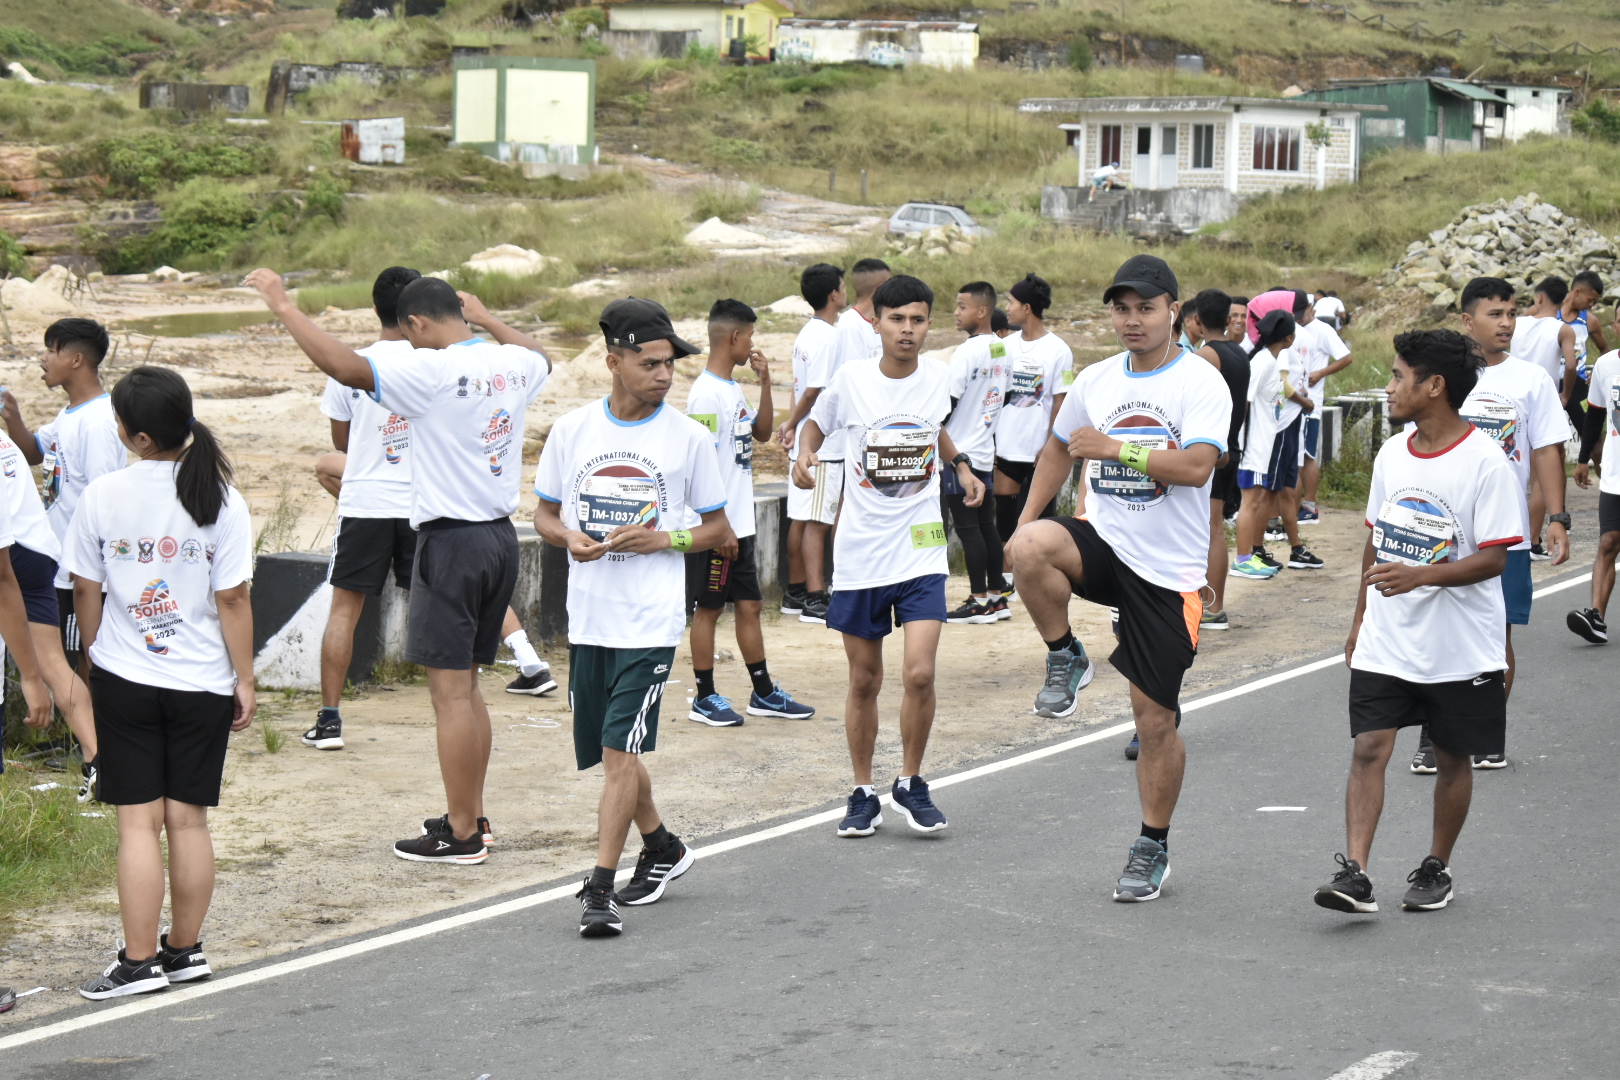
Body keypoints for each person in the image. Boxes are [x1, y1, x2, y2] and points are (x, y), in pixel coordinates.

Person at [247, 269, 550, 864]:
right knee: (469, 689)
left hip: (450, 542)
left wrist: (284, 307)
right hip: (499, 538)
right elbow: (541, 354)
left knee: (450, 696)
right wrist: (488, 316)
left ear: (415, 323)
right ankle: (474, 815)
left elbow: (347, 369)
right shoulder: (511, 360)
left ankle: (462, 835)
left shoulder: (430, 369)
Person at [1006, 254, 1230, 901]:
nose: (1132, 321)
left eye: (1146, 308)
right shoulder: (1097, 379)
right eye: (1122, 309)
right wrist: (1022, 523)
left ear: (1174, 313)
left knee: (1154, 722)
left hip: (1168, 574)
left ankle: (1151, 844)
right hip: (1105, 544)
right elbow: (1056, 448)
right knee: (1030, 548)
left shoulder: (1199, 382)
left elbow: (1194, 467)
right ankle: (1065, 656)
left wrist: (1116, 448)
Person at [534, 298, 729, 937]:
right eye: (649, 363)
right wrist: (568, 540)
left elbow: (719, 531)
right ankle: (664, 846)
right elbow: (544, 515)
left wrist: (665, 540)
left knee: (619, 756)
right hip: (590, 621)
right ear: (613, 361)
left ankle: (600, 889)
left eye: (669, 364)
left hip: (648, 624)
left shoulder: (688, 439)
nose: (664, 375)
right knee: (614, 752)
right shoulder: (572, 431)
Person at [1314, 330, 1522, 916]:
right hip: (1388, 637)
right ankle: (1356, 872)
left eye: (1399, 376)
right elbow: (1375, 543)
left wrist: (1422, 577)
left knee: (1453, 757)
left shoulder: (1486, 462)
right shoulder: (1391, 452)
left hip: (1460, 645)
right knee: (1368, 748)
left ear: (1435, 386)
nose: (1389, 386)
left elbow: (1494, 558)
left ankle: (1437, 865)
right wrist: (1359, 619)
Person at [68, 366, 256, 998]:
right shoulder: (223, 496)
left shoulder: (103, 495)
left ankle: (138, 963)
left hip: (126, 677)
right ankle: (185, 952)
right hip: (203, 680)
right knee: (189, 821)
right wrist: (244, 679)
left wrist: (94, 653)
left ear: (139, 437)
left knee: (136, 824)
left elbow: (86, 588)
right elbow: (232, 598)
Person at [794, 274, 983, 839]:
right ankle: (861, 791)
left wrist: (963, 465)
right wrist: (805, 454)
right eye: (897, 319)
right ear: (875, 322)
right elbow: (814, 423)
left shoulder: (940, 378)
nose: (908, 330)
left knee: (920, 674)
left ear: (929, 324)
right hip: (860, 556)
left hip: (921, 551)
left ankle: (911, 780)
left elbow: (935, 429)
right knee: (864, 681)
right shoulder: (850, 381)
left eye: (918, 319)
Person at [1402, 278, 1570, 774]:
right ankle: (1434, 737)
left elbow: (1545, 450)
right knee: (1435, 636)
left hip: (1506, 534)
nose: (1506, 323)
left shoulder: (1531, 380)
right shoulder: (1442, 378)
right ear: (1466, 321)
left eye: (1512, 313)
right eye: (1495, 314)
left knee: (1497, 636)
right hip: (1436, 533)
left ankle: (1486, 732)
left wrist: (1556, 518)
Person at [0, 317, 125, 800]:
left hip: (77, 565)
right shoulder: (69, 416)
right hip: (51, 560)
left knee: (80, 660)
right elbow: (35, 453)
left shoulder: (99, 420)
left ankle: (101, 754)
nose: (42, 360)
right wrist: (14, 419)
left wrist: (91, 571)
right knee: (63, 662)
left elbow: (102, 497)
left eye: (49, 351)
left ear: (75, 359)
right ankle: (96, 754)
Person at [684, 299, 813, 726]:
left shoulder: (730, 388)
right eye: (752, 335)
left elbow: (760, 434)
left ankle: (763, 693)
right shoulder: (705, 394)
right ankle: (705, 696)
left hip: (740, 524)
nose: (753, 343)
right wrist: (716, 527)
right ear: (735, 337)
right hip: (717, 528)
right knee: (708, 609)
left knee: (751, 606)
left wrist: (765, 381)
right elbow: (699, 470)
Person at [777, 263, 846, 625]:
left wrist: (791, 424)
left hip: (802, 440)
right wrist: (792, 422)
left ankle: (796, 591)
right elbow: (815, 390)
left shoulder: (807, 332)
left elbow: (796, 386)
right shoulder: (829, 336)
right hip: (822, 447)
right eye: (842, 286)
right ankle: (816, 597)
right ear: (834, 294)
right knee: (818, 522)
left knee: (801, 519)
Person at [993, 274, 1072, 579]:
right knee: (1005, 517)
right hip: (1006, 447)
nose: (1007, 308)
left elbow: (1060, 400)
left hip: (1040, 451)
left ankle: (1037, 578)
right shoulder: (1004, 346)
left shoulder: (1059, 350)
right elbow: (994, 393)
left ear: (1027, 307)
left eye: (1011, 302)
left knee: (1038, 521)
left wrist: (1051, 444)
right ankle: (1005, 580)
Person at [942, 281, 1009, 624]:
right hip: (984, 448)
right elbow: (1005, 396)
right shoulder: (1002, 348)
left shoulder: (967, 351)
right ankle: (998, 597)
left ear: (982, 311)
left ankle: (979, 600)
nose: (956, 313)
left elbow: (947, 402)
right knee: (987, 526)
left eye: (962, 306)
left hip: (959, 453)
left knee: (969, 529)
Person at [1187, 288, 1248, 628]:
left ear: (1196, 320)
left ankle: (1210, 607)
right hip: (1231, 446)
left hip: (1213, 451)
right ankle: (1214, 604)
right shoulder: (1238, 352)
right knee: (1215, 530)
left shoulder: (1205, 356)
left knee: (1209, 530)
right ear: (1227, 319)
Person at [1231, 312, 1304, 580]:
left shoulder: (1270, 361)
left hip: (1262, 445)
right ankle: (1241, 559)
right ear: (1287, 337)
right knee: (1249, 502)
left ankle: (1249, 556)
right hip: (1252, 447)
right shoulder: (1262, 362)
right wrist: (1240, 444)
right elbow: (1245, 402)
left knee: (1257, 499)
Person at [1568, 345, 1620, 644]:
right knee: (1609, 541)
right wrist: (1583, 458)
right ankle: (1596, 618)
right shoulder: (1605, 365)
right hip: (1616, 474)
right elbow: (1595, 416)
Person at [1292, 300, 1354, 528]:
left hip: (1312, 404)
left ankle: (1308, 506)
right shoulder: (1293, 329)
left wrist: (1321, 373)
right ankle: (1293, 505)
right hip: (1293, 403)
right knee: (1297, 454)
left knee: (1307, 455)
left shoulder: (1323, 330)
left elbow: (1346, 358)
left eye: (1303, 311)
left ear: (1313, 309)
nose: (1300, 316)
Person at [836, 258, 890, 373]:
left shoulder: (882, 321)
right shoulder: (850, 325)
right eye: (889, 283)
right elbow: (852, 375)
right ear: (881, 288)